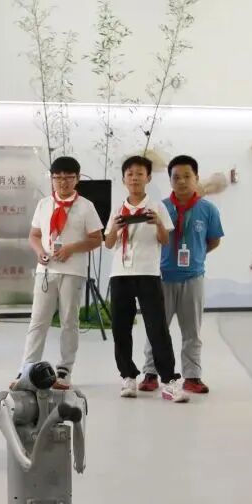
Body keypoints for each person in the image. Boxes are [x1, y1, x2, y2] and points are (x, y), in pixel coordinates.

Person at [103, 156, 186, 402]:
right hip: (120, 274)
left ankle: (169, 380)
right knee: (121, 328)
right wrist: (116, 228)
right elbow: (108, 243)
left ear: (148, 178)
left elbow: (165, 240)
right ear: (123, 179)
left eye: (139, 174)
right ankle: (127, 376)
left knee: (157, 327)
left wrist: (158, 222)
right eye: (130, 174)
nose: (134, 178)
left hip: (148, 273)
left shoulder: (157, 206)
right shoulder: (118, 208)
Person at [17, 157, 104, 388]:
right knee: (38, 320)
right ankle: (26, 369)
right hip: (46, 271)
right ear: (52, 179)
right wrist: (39, 252)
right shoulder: (44, 204)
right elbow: (34, 235)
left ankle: (65, 370)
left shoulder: (86, 206)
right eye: (58, 177)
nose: (63, 182)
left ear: (77, 178)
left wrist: (71, 249)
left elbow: (97, 238)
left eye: (68, 177)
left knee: (69, 321)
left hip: (73, 271)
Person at [140, 155, 224, 395]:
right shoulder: (160, 208)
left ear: (196, 178)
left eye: (187, 176)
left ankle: (192, 376)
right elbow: (150, 240)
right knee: (156, 329)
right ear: (170, 180)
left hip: (193, 278)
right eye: (176, 177)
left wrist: (196, 256)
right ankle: (150, 373)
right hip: (162, 278)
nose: (182, 181)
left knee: (192, 332)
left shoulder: (208, 209)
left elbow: (213, 241)